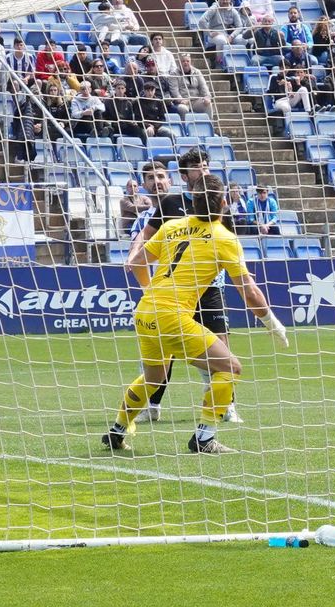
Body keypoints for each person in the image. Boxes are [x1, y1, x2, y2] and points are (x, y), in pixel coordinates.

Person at [102, 174, 288, 455]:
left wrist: (150, 290)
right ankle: (204, 438)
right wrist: (272, 324)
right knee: (230, 368)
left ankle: (117, 431)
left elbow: (136, 262)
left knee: (154, 377)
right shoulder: (224, 238)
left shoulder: (172, 226)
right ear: (223, 203)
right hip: (172, 317)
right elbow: (248, 291)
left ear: (192, 202)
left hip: (145, 312)